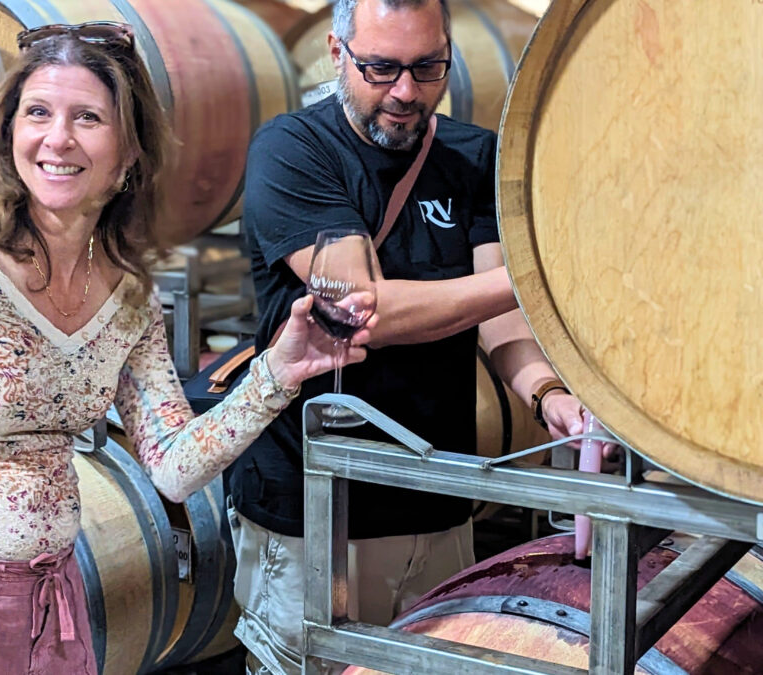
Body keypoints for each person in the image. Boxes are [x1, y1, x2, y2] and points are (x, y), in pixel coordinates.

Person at [0, 22, 374, 675]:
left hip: (50, 608)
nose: (58, 138)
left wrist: (279, 371)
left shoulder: (127, 296)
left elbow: (174, 469)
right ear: (10, 130)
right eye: (37, 112)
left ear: (128, 153)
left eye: (88, 117)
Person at [226, 0, 591, 672]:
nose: (405, 91)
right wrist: (538, 277)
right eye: (382, 68)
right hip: (318, 506)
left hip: (438, 494)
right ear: (338, 54)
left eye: (428, 68)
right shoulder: (293, 150)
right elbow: (362, 312)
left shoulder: (472, 156)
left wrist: (545, 392)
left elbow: (496, 314)